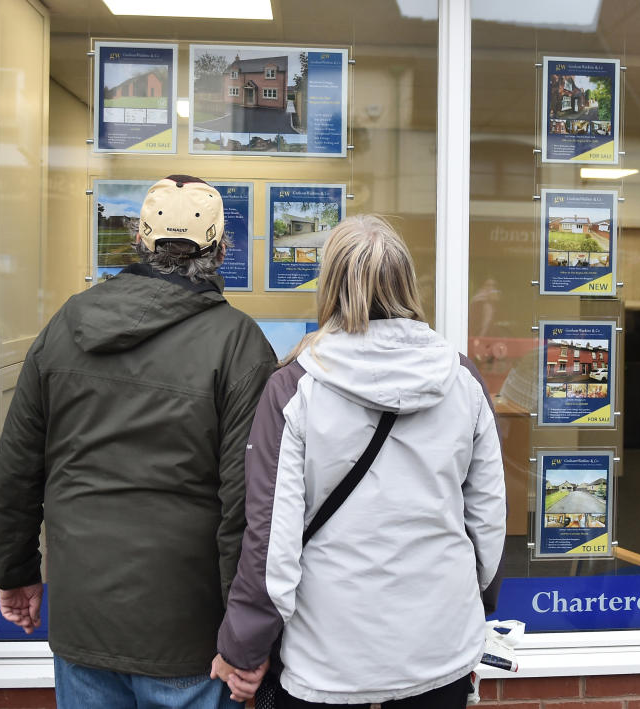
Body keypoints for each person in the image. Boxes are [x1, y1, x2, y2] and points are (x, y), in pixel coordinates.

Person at [0, 175, 276, 708]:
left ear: (140, 240)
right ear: (219, 249)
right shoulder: (239, 344)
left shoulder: (67, 323)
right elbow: (248, 506)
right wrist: (246, 633)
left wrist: (15, 573)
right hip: (189, 632)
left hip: (83, 616)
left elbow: (14, 471)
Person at [210, 215, 508, 708]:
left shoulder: (294, 388)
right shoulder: (462, 380)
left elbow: (270, 543)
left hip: (329, 658)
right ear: (407, 282)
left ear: (329, 285)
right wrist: (471, 606)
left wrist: (243, 648)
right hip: (441, 649)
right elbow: (489, 522)